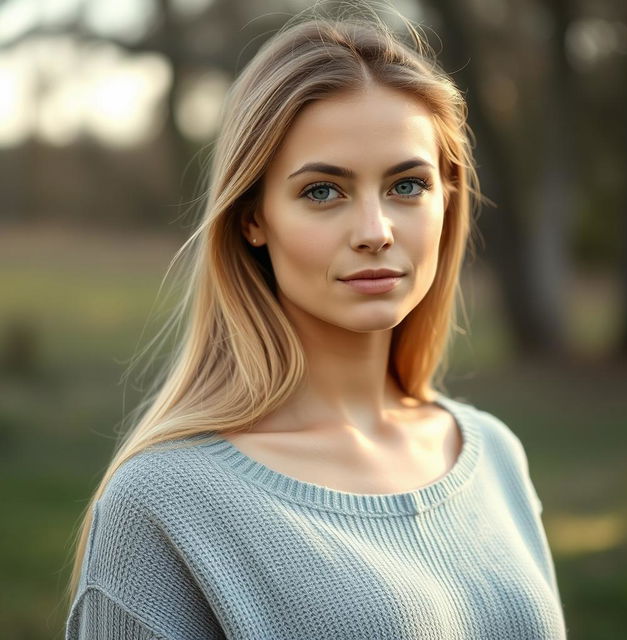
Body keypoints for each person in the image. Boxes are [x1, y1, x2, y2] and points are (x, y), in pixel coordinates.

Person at [64, 5, 567, 639]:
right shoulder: (165, 502)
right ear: (253, 218)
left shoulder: (493, 453)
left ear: (448, 196)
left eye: (407, 185)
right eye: (323, 191)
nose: (375, 233)